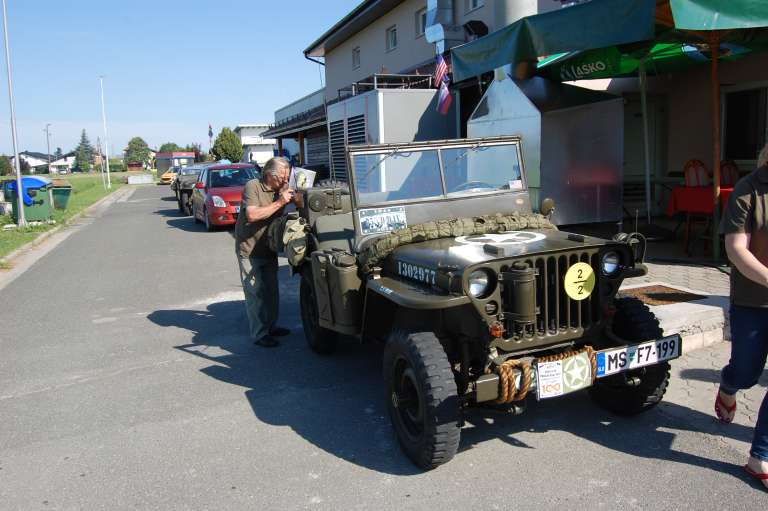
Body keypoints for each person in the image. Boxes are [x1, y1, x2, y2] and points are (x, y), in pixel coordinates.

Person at [718, 141, 768, 489]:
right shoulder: (747, 191)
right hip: (753, 301)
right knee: (747, 372)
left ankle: (759, 457)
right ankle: (729, 385)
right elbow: (736, 249)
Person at [234, 157, 295, 348]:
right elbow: (252, 215)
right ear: (270, 175)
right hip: (250, 248)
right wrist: (280, 202)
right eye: (282, 178)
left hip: (268, 248)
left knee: (271, 291)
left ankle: (271, 326)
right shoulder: (253, 186)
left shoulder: (280, 190)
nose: (285, 182)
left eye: (287, 178)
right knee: (255, 292)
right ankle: (259, 334)